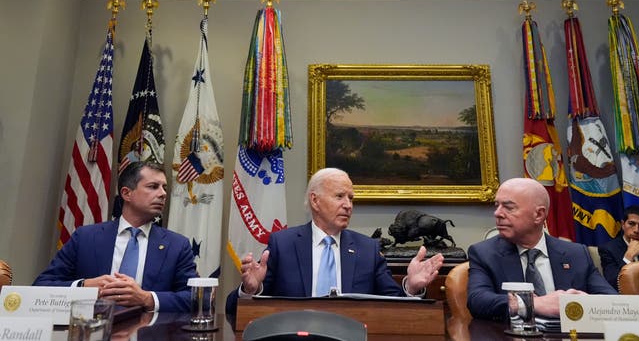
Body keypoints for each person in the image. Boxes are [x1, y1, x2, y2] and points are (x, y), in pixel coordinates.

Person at [225, 168, 445, 315]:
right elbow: (233, 311)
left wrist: (411, 288)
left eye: (351, 198)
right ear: (315, 201)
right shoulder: (283, 244)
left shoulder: (367, 250)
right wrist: (250, 289)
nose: (348, 205)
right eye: (339, 196)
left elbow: (395, 307)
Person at [34, 161, 198, 312]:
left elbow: (198, 298)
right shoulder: (85, 237)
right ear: (127, 193)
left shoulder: (177, 245)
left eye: (164, 188)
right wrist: (84, 285)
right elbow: (41, 286)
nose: (162, 194)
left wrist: (147, 298)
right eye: (153, 186)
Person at [467, 177, 616, 320]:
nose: (497, 213)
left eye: (508, 207)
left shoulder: (576, 254)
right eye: (497, 205)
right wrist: (532, 303)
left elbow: (612, 302)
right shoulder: (484, 253)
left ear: (539, 214)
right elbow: (477, 301)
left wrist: (585, 302)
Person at [598, 205, 639, 290]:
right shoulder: (608, 249)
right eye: (631, 224)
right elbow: (612, 283)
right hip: (624, 300)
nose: (636, 230)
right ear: (623, 224)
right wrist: (628, 257)